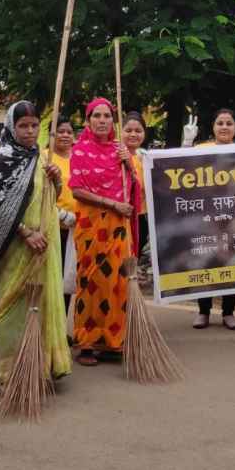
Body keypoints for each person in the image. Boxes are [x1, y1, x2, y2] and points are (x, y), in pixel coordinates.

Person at [0, 101, 72, 389]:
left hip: (47, 239)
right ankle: (11, 375)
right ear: (11, 126)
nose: (29, 131)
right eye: (23, 125)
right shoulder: (4, 157)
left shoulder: (41, 157)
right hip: (19, 243)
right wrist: (25, 233)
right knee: (15, 304)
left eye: (35, 125)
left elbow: (49, 197)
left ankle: (41, 367)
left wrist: (56, 181)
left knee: (43, 303)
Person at [69, 98, 139, 365]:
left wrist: (129, 165)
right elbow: (76, 190)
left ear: (113, 121)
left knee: (117, 280)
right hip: (90, 225)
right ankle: (86, 342)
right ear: (88, 121)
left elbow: (134, 187)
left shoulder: (119, 150)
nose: (101, 120)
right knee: (90, 280)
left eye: (107, 116)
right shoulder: (80, 150)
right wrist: (112, 204)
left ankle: (112, 341)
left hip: (118, 226)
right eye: (96, 116)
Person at [185, 108, 235, 330]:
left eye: (229, 123)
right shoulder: (201, 149)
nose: (224, 127)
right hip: (206, 214)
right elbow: (180, 165)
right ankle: (203, 311)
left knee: (231, 261)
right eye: (220, 123)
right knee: (207, 260)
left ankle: (229, 312)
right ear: (213, 127)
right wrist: (187, 142)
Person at [49, 118, 79, 311]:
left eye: (69, 132)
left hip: (77, 227)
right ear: (52, 135)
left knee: (68, 279)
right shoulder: (46, 157)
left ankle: (62, 326)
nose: (65, 135)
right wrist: (58, 214)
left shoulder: (79, 157)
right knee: (54, 277)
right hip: (53, 227)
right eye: (60, 131)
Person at [122, 111, 150, 253]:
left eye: (138, 131)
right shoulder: (116, 156)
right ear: (120, 132)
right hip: (121, 215)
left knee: (135, 256)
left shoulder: (146, 157)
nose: (133, 134)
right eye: (128, 130)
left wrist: (187, 143)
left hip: (141, 216)